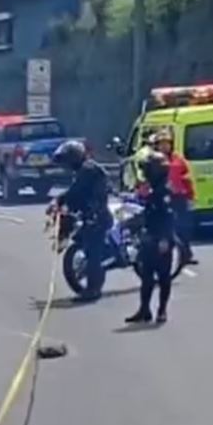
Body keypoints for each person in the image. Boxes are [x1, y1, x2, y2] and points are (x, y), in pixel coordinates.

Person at [49, 139, 113, 296]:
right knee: (87, 245)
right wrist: (58, 203)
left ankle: (94, 289)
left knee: (93, 253)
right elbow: (76, 193)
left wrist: (60, 201)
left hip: (97, 217)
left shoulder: (88, 170)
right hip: (89, 215)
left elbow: (76, 193)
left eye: (67, 161)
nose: (66, 166)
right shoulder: (84, 170)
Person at [125, 152, 182, 325]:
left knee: (163, 276)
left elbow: (168, 218)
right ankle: (144, 310)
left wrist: (165, 239)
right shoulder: (154, 188)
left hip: (161, 239)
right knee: (146, 276)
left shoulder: (164, 191)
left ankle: (162, 310)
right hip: (149, 237)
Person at [152, 130, 198, 266]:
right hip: (161, 197)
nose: (164, 146)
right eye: (161, 144)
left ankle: (186, 255)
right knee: (163, 228)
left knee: (184, 227)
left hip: (179, 197)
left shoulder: (178, 159)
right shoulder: (153, 160)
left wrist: (191, 196)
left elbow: (187, 178)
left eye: (167, 143)